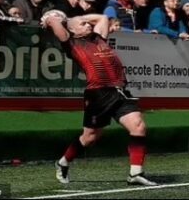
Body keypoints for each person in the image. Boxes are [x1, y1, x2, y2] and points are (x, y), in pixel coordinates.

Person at [42, 12, 157, 187]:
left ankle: (135, 173)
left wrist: (80, 18)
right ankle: (63, 162)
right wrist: (54, 19)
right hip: (98, 95)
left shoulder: (99, 38)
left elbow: (103, 18)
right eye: (83, 24)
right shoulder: (71, 43)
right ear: (72, 31)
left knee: (138, 126)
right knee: (90, 138)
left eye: (88, 23)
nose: (88, 24)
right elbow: (55, 25)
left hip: (120, 91)